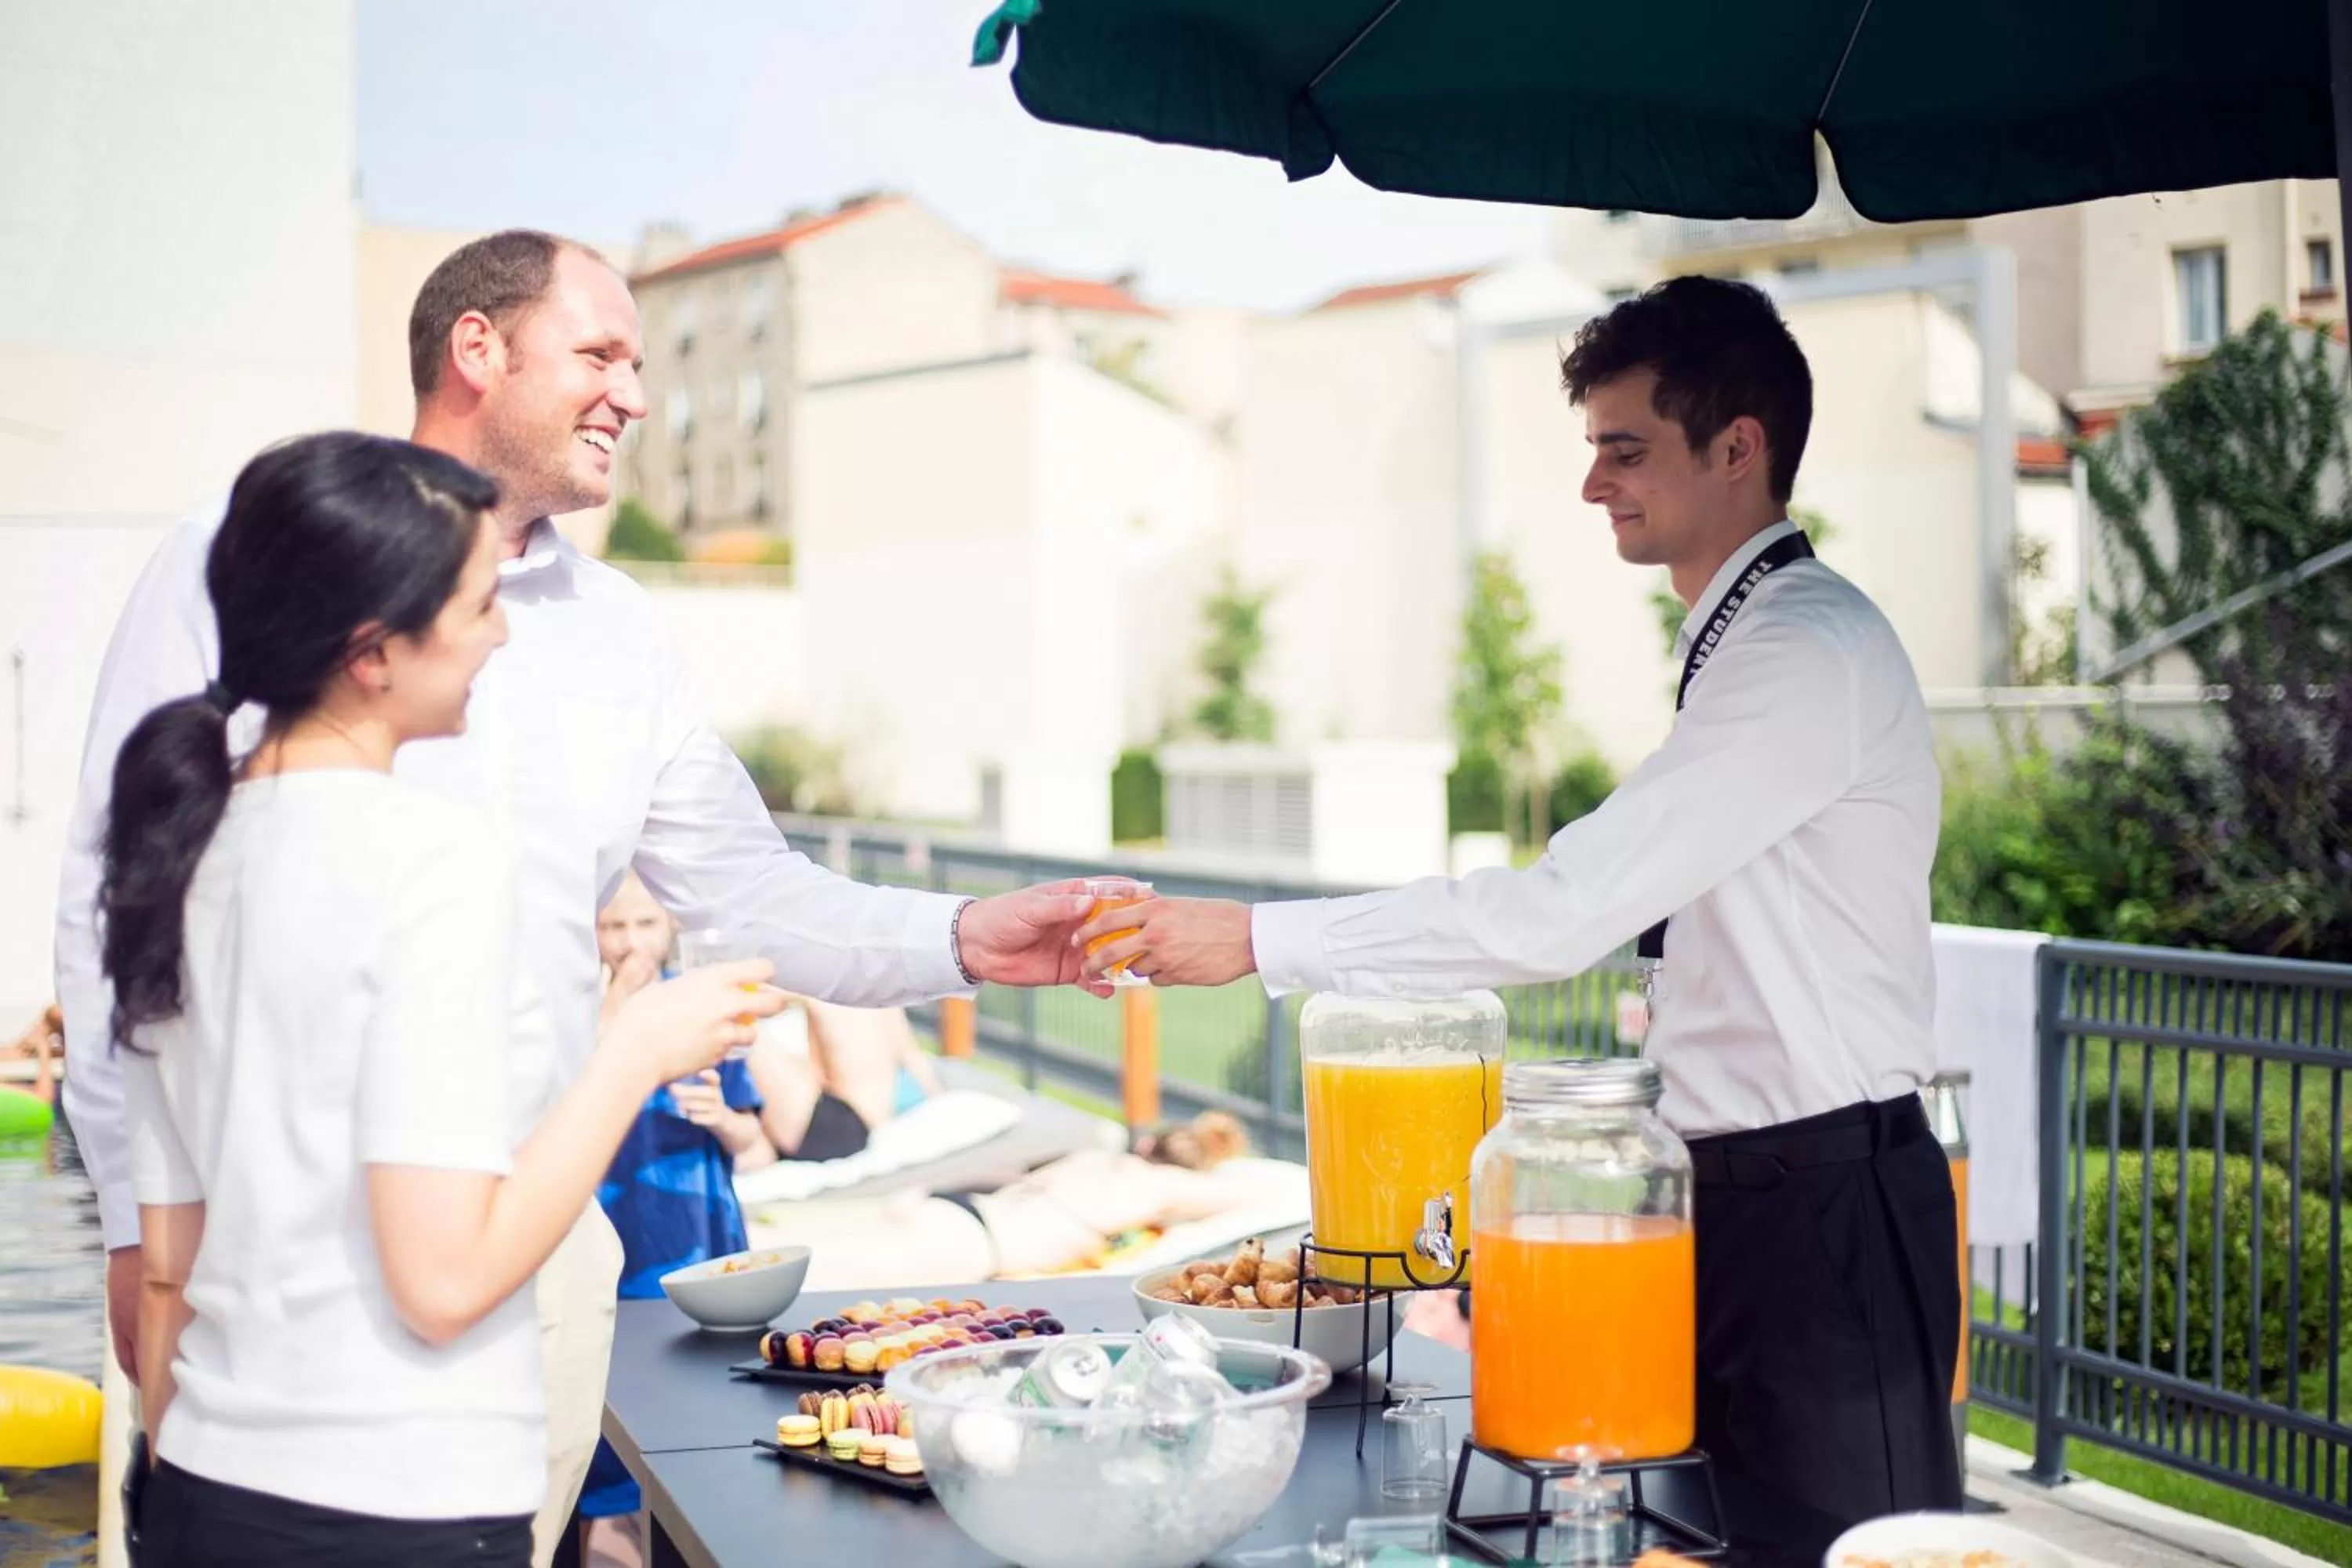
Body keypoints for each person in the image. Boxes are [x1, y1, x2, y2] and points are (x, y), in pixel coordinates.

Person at [53, 229, 1097, 1568]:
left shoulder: (616, 628)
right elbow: (116, 902)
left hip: (526, 1262)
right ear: (476, 350)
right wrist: (145, 1245)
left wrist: (968, 938)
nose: (638, 396)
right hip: (255, 1273)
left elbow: (752, 894)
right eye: (602, 352)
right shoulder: (258, 558)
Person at [1076, 278, 1960, 1541]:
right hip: (1743, 1203)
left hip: (1823, 1224)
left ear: (1739, 449)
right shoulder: (1748, 641)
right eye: (1594, 450)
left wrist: (1259, 940)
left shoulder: (1801, 651)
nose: (1595, 484)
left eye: (1626, 448)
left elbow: (1559, 913)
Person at [100, 433, 784, 1566]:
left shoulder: (177, 848)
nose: (503, 634)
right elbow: (445, 1283)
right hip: (398, 1504)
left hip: (205, 1487)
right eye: (476, 609)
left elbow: (169, 1262)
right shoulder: (433, 862)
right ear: (374, 651)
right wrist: (634, 1055)